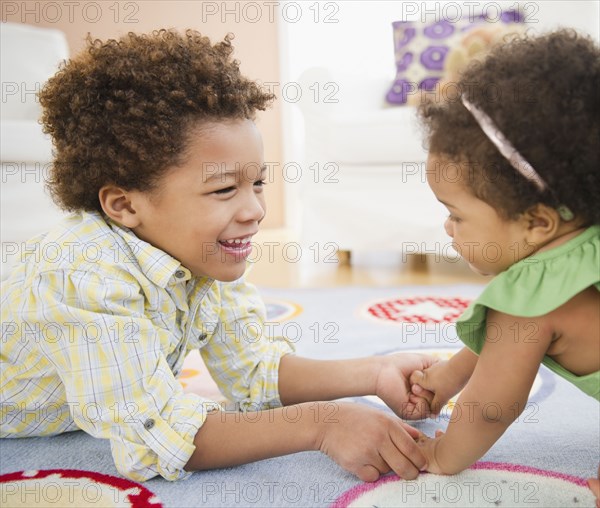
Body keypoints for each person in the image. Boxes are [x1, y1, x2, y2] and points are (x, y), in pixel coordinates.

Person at [0, 29, 436, 483]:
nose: (255, 210)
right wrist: (322, 424)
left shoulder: (201, 257)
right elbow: (156, 440)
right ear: (126, 205)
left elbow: (254, 373)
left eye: (258, 183)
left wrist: (375, 371)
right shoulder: (82, 276)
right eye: (224, 189)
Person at [407, 29, 599, 502]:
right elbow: (505, 343)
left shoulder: (533, 297)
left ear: (536, 222)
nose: (448, 229)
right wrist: (449, 377)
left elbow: (492, 406)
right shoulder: (578, 247)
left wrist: (444, 455)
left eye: (456, 214)